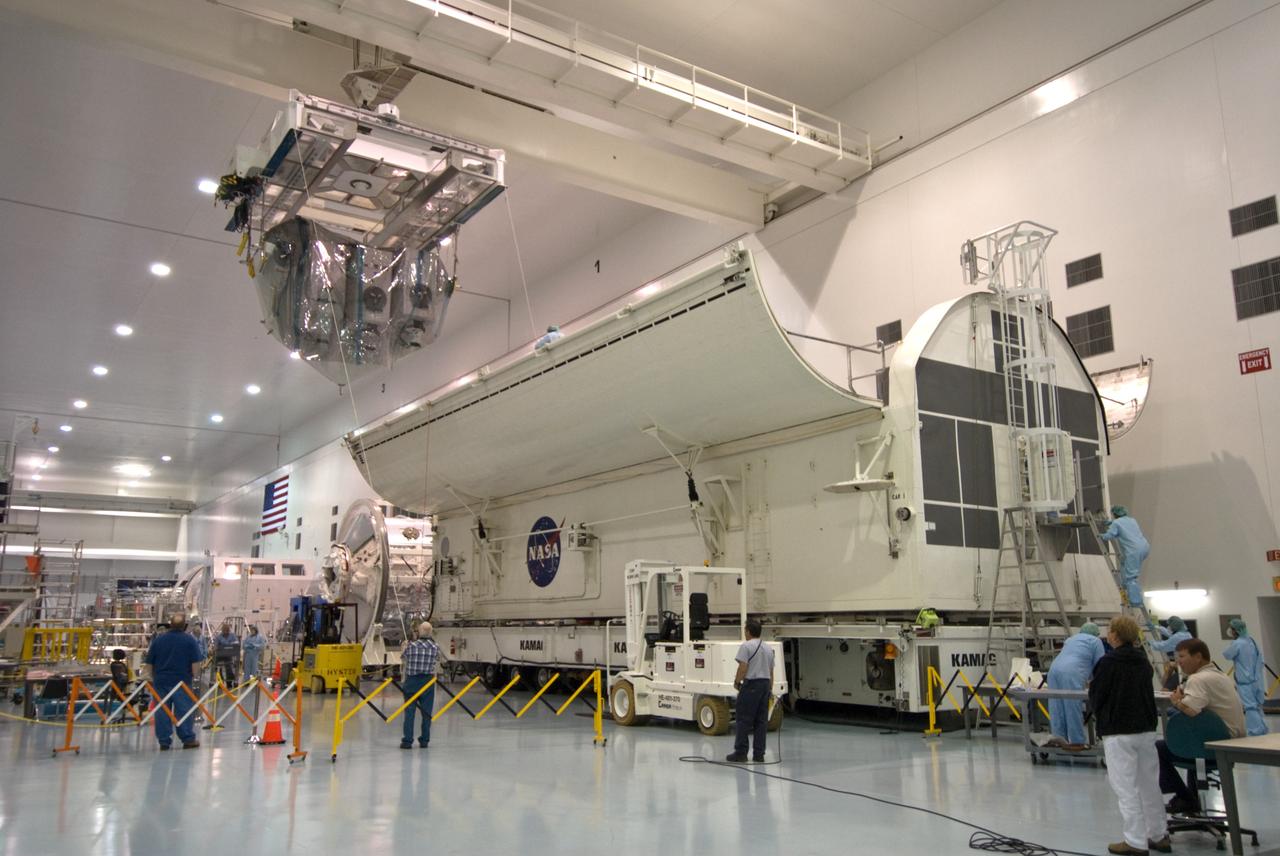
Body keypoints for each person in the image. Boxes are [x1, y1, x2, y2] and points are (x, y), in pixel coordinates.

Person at [1089, 615, 1169, 855]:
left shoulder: (1108, 662)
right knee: (1149, 784)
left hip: (1118, 731)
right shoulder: (1143, 661)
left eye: (1110, 632)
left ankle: (1135, 841)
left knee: (1126, 787)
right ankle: (1158, 834)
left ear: (1115, 635)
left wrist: (1100, 715)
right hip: (1145, 729)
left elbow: (1097, 695)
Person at [1158, 637, 1247, 814]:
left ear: (1198, 656)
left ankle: (1185, 798)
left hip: (1216, 744)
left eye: (1182, 656)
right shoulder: (1220, 675)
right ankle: (1191, 798)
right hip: (1232, 744)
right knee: (1190, 741)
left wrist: (1176, 702)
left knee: (1156, 748)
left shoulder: (1198, 679)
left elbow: (1191, 710)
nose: (1178, 662)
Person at [143, 614, 205, 750]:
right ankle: (187, 739)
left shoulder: (159, 640)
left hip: (161, 681)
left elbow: (149, 663)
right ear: (184, 626)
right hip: (181, 682)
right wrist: (195, 676)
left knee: (162, 711)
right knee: (183, 710)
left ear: (170, 624)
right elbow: (196, 664)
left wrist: (150, 677)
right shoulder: (190, 641)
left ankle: (164, 741)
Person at [1047, 623, 1105, 747]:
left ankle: (1058, 739)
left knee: (1056, 707)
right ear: (1096, 633)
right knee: (1072, 707)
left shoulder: (1070, 639)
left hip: (1053, 670)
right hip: (1071, 673)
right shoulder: (1095, 641)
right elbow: (1101, 666)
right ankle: (1077, 742)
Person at [726, 618, 775, 764]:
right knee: (761, 721)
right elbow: (771, 671)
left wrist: (736, 682)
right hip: (765, 685)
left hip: (751, 685)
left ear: (748, 631)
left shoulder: (746, 646)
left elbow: (743, 667)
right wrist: (770, 689)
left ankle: (741, 753)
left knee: (743, 719)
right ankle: (759, 754)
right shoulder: (768, 648)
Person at [1223, 618, 1270, 737]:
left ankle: (1255, 730)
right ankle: (1262, 728)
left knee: (1249, 707)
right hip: (1256, 680)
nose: (1230, 631)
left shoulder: (1237, 643)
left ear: (1235, 630)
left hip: (1245, 680)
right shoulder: (1251, 641)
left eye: (1231, 629)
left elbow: (1227, 655)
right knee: (1257, 705)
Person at [1098, 506, 1150, 607]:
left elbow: (1109, 535)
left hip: (1133, 550)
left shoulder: (1116, 523)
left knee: (1131, 577)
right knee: (1123, 561)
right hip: (1144, 547)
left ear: (1114, 514)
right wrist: (1110, 523)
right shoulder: (1132, 520)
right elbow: (1125, 528)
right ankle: (1126, 585)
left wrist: (1101, 535)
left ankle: (1135, 602)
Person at [400, 621, 440, 749]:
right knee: (426, 713)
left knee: (410, 712)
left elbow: (403, 657)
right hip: (428, 682)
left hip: (411, 682)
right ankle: (424, 740)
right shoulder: (435, 647)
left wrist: (404, 646)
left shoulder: (411, 646)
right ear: (431, 632)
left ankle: (407, 741)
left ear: (419, 632)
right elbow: (438, 659)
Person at [1151, 617, 1191, 690]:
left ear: (1175, 626)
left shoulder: (1178, 637)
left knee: (1165, 689)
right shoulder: (1185, 634)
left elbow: (1163, 646)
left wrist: (1151, 643)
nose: (1169, 627)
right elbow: (1169, 633)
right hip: (1184, 666)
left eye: (1170, 625)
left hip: (1183, 669)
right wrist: (1155, 627)